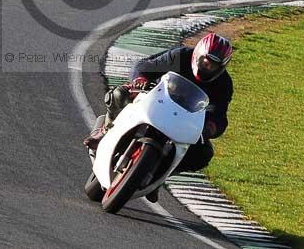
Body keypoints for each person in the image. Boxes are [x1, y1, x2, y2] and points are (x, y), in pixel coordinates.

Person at [83, 33, 234, 202]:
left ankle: (160, 176)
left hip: (184, 119)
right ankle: (105, 130)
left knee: (203, 154)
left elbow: (219, 114)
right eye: (206, 61)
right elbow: (145, 66)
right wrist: (141, 79)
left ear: (222, 66)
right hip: (156, 99)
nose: (208, 67)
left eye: (214, 65)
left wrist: (210, 127)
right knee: (119, 94)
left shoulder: (224, 84)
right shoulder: (180, 55)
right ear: (198, 54)